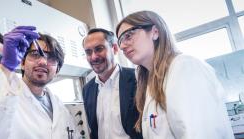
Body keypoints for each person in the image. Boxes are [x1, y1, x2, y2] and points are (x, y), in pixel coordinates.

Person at [115, 10, 234, 139]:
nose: (122, 46)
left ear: (155, 32)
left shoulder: (185, 67)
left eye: (128, 35)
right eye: (120, 40)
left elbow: (200, 133)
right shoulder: (150, 81)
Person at [0, 26, 77, 139]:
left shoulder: (60, 107)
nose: (42, 61)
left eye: (51, 58)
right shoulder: (4, 97)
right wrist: (6, 66)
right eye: (35, 54)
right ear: (22, 62)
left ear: (57, 70)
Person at [82, 28, 142, 139]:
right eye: (88, 52)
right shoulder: (87, 89)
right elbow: (94, 131)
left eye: (99, 49)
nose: (94, 57)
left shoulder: (137, 79)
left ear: (114, 49)